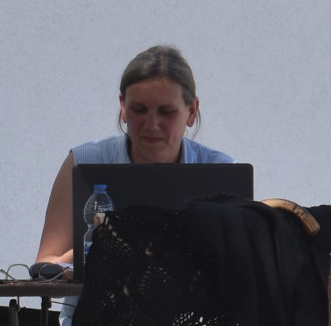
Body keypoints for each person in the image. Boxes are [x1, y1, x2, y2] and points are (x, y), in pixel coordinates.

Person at [32, 43, 236, 267]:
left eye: (166, 112)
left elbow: (239, 268)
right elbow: (45, 264)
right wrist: (93, 250)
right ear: (123, 106)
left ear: (192, 111)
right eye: (139, 110)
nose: (152, 124)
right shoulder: (83, 161)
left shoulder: (222, 169)